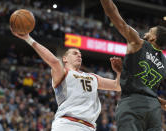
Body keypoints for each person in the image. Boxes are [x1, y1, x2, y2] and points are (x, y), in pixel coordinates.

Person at [10, 28, 122, 131]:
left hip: (89, 127)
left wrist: (119, 72)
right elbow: (54, 61)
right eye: (75, 53)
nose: (79, 56)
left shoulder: (93, 77)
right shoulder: (63, 73)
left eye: (80, 54)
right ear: (64, 58)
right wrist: (28, 39)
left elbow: (117, 86)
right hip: (68, 124)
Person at [100, 0, 166, 130]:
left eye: (150, 31)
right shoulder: (164, 63)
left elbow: (114, 15)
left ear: (153, 38)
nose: (147, 31)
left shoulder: (138, 42)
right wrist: (124, 71)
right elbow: (147, 89)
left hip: (132, 104)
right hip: (154, 110)